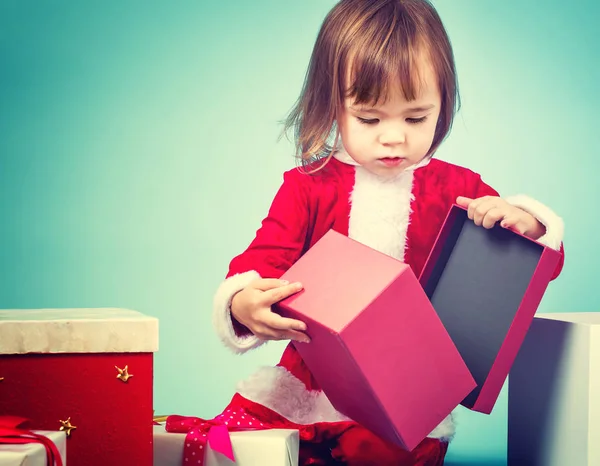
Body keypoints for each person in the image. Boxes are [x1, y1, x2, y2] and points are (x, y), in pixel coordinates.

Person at [210, 0, 565, 464]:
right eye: (370, 119)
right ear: (332, 107)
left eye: (416, 118)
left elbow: (535, 268)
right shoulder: (308, 186)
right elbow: (262, 258)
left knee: (388, 453)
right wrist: (243, 302)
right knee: (245, 445)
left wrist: (526, 224)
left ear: (444, 103)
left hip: (407, 390)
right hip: (313, 374)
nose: (394, 137)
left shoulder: (458, 189)